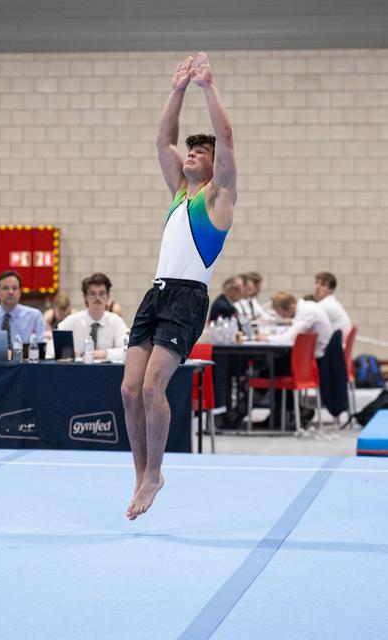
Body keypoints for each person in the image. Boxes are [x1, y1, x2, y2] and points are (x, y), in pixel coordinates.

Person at [121, 52, 236, 520]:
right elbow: (162, 139)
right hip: (156, 293)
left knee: (153, 388)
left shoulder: (218, 196)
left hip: (188, 297)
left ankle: (155, 473)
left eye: (200, 152)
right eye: (190, 150)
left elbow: (226, 138)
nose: (190, 153)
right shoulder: (178, 193)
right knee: (129, 390)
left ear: (213, 165)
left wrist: (207, 87)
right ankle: (141, 470)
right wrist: (177, 90)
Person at [255, 291, 333, 427]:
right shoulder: (307, 307)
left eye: (282, 314)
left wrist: (266, 338)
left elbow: (288, 338)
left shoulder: (306, 313)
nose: (283, 318)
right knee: (276, 367)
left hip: (316, 363)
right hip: (312, 360)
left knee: (270, 371)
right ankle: (284, 414)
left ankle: (282, 414)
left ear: (291, 307)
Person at [57, 272, 128, 361]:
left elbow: (127, 350)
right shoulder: (72, 321)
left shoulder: (116, 322)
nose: (97, 298)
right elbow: (52, 347)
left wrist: (105, 353)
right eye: (92, 293)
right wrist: (67, 351)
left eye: (101, 293)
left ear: (108, 297)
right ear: (85, 296)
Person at [0, 270, 45, 346]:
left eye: (15, 288)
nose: (10, 292)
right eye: (5, 288)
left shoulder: (34, 316)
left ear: (20, 292)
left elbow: (39, 351)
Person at [314, 271, 352, 341]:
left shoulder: (326, 305)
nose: (317, 287)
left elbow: (307, 324)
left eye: (323, 284)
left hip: (334, 349)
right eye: (316, 283)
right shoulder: (330, 302)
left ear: (331, 290)